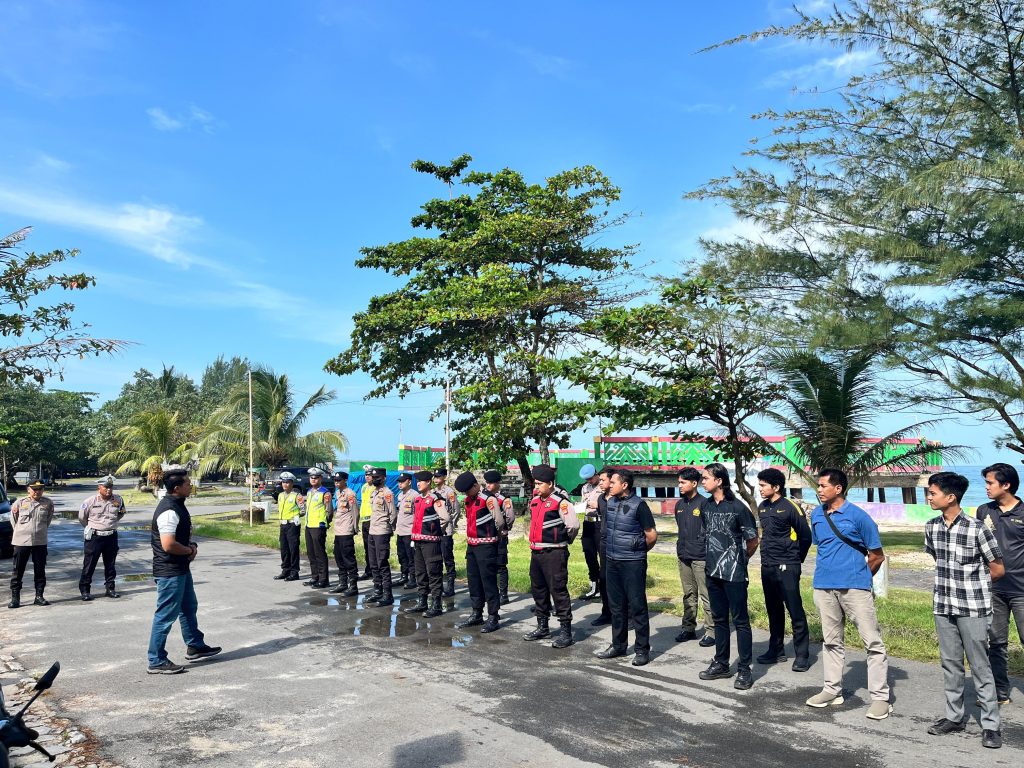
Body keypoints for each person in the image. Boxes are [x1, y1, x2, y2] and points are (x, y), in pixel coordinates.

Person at [925, 471, 1003, 749]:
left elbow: (997, 568)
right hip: (943, 605)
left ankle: (991, 725)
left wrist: (973, 586)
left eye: (932, 493)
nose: (928, 497)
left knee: (980, 666)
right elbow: (937, 559)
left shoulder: (977, 528)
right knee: (951, 664)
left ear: (951, 496)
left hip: (972, 607)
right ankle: (954, 717)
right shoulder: (931, 527)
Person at [806, 467, 892, 719]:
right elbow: (822, 548)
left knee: (872, 642)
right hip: (823, 586)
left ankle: (880, 698)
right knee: (831, 641)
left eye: (823, 486)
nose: (819, 490)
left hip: (855, 588)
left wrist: (861, 578)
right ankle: (832, 690)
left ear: (838, 488)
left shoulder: (858, 516)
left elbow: (877, 556)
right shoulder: (817, 515)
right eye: (818, 486)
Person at [147, 468, 221, 674]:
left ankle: (195, 645)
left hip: (180, 569)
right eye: (188, 484)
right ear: (177, 488)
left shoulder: (177, 505)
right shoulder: (169, 511)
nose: (191, 486)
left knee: (189, 607)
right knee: (165, 615)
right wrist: (189, 550)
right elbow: (168, 545)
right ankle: (156, 659)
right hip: (170, 571)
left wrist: (191, 546)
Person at [697, 463, 759, 689]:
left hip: (734, 574)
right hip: (712, 571)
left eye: (706, 478)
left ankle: (744, 669)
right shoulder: (705, 506)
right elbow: (706, 535)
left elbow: (753, 540)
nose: (703, 481)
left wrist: (739, 561)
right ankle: (721, 663)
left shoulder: (738, 508)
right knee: (719, 619)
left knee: (741, 621)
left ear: (719, 481)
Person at [595, 469, 657, 667]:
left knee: (637, 606)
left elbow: (651, 535)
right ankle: (618, 645)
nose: (609, 485)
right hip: (612, 560)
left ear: (624, 485)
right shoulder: (610, 502)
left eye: (613, 482)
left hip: (633, 562)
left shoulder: (639, 505)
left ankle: (641, 650)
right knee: (616, 606)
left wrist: (636, 550)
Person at [976, 462, 1024, 707]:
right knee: (996, 642)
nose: (986, 487)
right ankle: (1000, 693)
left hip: (1021, 591)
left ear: (1006, 485)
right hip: (994, 589)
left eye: (990, 483)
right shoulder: (984, 510)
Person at [755, 468, 812, 671]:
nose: (759, 488)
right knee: (773, 610)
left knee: (794, 609)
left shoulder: (790, 507)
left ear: (776, 487)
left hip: (788, 565)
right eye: (759, 484)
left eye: (763, 485)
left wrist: (796, 559)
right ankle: (776, 650)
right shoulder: (762, 507)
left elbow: (806, 536)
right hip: (768, 565)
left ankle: (802, 655)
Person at [523, 464, 580, 649]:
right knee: (538, 590)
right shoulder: (535, 501)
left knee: (558, 590)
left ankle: (566, 632)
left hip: (554, 552)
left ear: (550, 483)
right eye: (535, 484)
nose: (536, 487)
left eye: (539, 484)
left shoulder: (561, 502)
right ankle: (542, 626)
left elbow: (573, 526)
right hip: (536, 552)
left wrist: (562, 542)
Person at [454, 471, 514, 632]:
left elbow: (500, 522)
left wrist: (495, 537)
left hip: (486, 546)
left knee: (488, 582)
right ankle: (477, 613)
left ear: (475, 485)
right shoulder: (469, 500)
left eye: (468, 490)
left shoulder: (488, 499)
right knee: (474, 581)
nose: (466, 494)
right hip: (472, 546)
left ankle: (493, 616)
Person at [673, 467, 713, 646]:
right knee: (688, 594)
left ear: (694, 483)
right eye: (679, 482)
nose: (679, 485)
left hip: (701, 556)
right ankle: (688, 628)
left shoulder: (705, 504)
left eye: (683, 482)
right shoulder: (679, 505)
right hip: (683, 555)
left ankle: (711, 631)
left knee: (706, 594)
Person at [405, 470, 450, 618]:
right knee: (420, 572)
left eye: (421, 481)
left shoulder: (435, 499)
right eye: (417, 481)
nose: (418, 483)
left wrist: (436, 531)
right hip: (417, 541)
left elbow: (445, 518)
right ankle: (422, 601)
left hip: (430, 542)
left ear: (428, 482)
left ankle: (436, 604)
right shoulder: (417, 499)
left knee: (434, 572)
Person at [78, 475, 127, 601]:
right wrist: (93, 527)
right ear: (99, 487)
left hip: (111, 536)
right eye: (106, 487)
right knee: (89, 565)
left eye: (110, 487)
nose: (109, 490)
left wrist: (110, 524)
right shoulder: (90, 501)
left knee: (110, 564)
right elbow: (82, 518)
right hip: (95, 537)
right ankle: (85, 590)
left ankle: (110, 588)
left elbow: (121, 513)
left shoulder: (118, 499)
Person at [8, 480, 55, 609]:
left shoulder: (48, 503)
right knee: (18, 570)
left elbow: (47, 521)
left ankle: (39, 596)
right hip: (21, 541)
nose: (37, 491)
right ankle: (15, 598)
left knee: (40, 570)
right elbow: (14, 520)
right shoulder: (19, 503)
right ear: (28, 489)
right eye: (34, 489)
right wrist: (23, 531)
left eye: (40, 489)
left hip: (40, 541)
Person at [366, 467, 398, 606]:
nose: (374, 479)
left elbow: (393, 514)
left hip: (382, 531)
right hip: (372, 531)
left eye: (377, 477)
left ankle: (387, 594)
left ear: (384, 478)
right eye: (373, 477)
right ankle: (377, 590)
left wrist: (389, 529)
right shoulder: (373, 493)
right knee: (373, 563)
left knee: (382, 563)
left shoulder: (387, 493)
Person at [483, 470, 516, 605]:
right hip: (486, 536)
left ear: (497, 483)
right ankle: (492, 591)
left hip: (500, 536)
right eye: (487, 483)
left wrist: (503, 529)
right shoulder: (484, 497)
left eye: (491, 483)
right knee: (488, 564)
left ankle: (503, 594)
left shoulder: (504, 499)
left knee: (501, 565)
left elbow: (510, 517)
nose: (488, 486)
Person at [589, 467, 614, 627]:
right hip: (604, 544)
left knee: (621, 583)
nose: (600, 483)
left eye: (603, 480)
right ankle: (607, 613)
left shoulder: (622, 500)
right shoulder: (601, 499)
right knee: (604, 579)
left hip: (620, 546)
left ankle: (630, 615)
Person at [330, 471, 359, 596]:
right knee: (338, 556)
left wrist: (354, 528)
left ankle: (353, 585)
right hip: (338, 530)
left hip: (346, 530)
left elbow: (355, 512)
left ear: (345, 480)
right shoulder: (338, 493)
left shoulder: (350, 494)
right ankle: (342, 583)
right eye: (335, 480)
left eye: (339, 480)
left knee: (348, 558)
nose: (336, 482)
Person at [302, 468, 332, 588]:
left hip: (318, 526)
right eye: (311, 477)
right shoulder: (309, 492)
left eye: (316, 477)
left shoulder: (325, 492)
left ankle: (323, 579)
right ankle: (315, 577)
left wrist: (325, 523)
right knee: (311, 553)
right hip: (309, 525)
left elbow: (329, 510)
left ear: (320, 478)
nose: (313, 479)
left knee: (319, 553)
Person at [578, 465, 603, 600]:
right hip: (587, 522)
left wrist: (598, 505)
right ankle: (594, 585)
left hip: (600, 522)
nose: (589, 481)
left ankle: (605, 585)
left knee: (603, 554)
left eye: (591, 478)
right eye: (587, 479)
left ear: (596, 474)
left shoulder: (604, 486)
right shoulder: (585, 488)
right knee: (589, 554)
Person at [434, 468, 459, 597]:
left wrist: (450, 526)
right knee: (436, 558)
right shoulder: (433, 492)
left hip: (446, 530)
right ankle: (438, 585)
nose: (436, 479)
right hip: (435, 530)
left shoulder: (449, 492)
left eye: (439, 476)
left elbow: (455, 510)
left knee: (447, 558)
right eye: (435, 476)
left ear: (444, 477)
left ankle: (450, 585)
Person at [274, 472, 304, 582]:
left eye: (288, 482)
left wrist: (296, 516)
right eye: (283, 482)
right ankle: (285, 570)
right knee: (284, 548)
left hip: (292, 524)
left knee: (293, 548)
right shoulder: (280, 495)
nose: (285, 484)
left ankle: (294, 571)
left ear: (292, 483)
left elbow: (302, 510)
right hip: (283, 524)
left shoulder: (297, 495)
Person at [394, 472, 417, 589]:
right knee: (401, 554)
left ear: (409, 481)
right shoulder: (400, 495)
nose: (400, 484)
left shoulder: (414, 495)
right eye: (399, 482)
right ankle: (404, 576)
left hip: (409, 531)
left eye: (402, 481)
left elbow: (418, 514)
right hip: (400, 530)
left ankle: (413, 578)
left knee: (410, 556)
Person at [358, 475, 374, 580]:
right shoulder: (364, 486)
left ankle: (374, 570)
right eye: (366, 475)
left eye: (369, 475)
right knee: (366, 548)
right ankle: (368, 570)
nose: (367, 477)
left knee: (373, 548)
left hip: (372, 520)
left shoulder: (375, 487)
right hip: (364, 520)